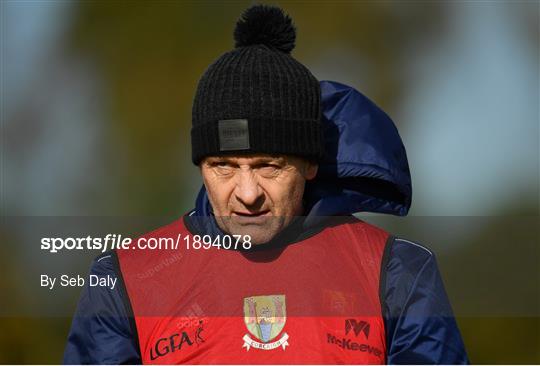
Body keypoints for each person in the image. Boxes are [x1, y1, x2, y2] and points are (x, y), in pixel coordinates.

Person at [64, 5, 468, 364]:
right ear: (201, 164)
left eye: (268, 166)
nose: (247, 192)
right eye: (223, 165)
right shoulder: (124, 280)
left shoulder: (398, 273)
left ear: (309, 164)